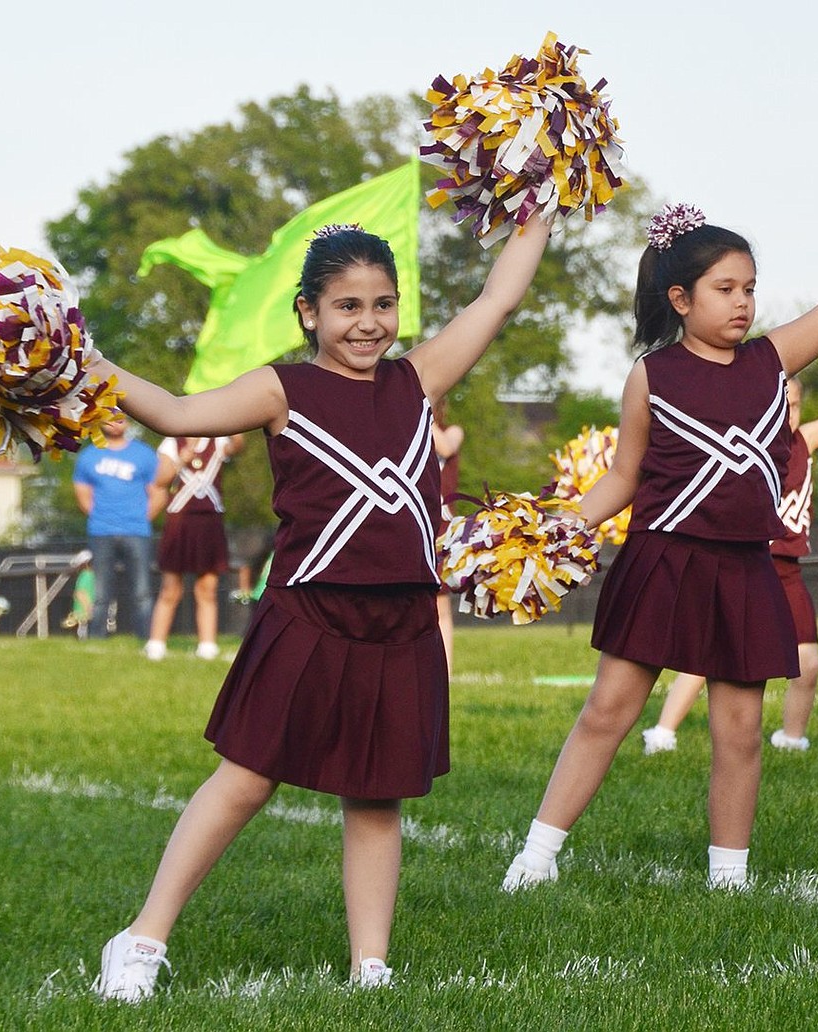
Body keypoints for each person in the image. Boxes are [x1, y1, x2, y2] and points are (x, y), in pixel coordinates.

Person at [84, 215, 550, 1000]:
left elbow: (497, 299)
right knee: (246, 778)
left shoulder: (417, 377)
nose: (368, 323)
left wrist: (538, 206)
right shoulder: (281, 389)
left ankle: (371, 965)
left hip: (401, 621)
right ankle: (139, 940)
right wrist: (83, 359)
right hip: (308, 612)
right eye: (347, 306)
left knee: (377, 792)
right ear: (309, 312)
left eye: (382, 304)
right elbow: (171, 411)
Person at [501, 200, 818, 894]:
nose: (743, 302)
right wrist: (559, 526)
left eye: (749, 288)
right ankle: (535, 858)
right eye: (726, 289)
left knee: (741, 731)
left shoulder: (773, 359)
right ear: (680, 299)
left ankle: (729, 878)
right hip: (663, 559)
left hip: (744, 565)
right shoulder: (651, 376)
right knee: (608, 713)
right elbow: (623, 478)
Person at [642, 378, 818, 755]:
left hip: (787, 570)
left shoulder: (804, 441)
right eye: (780, 409)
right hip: (743, 564)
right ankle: (662, 732)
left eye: (795, 407)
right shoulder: (742, 446)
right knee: (708, 654)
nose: (788, 417)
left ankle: (792, 738)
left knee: (808, 662)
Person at [143, 434, 245, 661]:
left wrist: (237, 425)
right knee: (170, 587)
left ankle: (207, 645)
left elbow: (236, 447)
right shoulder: (172, 442)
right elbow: (160, 480)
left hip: (210, 520)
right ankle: (156, 643)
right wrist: (181, 458)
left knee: (207, 587)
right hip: (180, 520)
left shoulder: (217, 439)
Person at [72, 414, 163, 640]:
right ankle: (97, 638)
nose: (115, 421)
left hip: (137, 531)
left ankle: (147, 639)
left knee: (142, 590)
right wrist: (100, 516)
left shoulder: (144, 454)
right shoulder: (89, 456)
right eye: (109, 417)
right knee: (101, 590)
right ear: (100, 421)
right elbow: (82, 493)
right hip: (101, 531)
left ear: (129, 421)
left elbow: (159, 491)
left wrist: (142, 518)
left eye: (120, 418)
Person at [432, 397, 464, 674]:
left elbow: (445, 445)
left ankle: (445, 670)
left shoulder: (452, 431)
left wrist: (420, 413)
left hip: (441, 529)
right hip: (413, 525)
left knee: (440, 604)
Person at [62, 551, 96, 637]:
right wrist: (88, 608)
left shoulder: (88, 575)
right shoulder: (87, 575)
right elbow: (80, 593)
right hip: (84, 614)